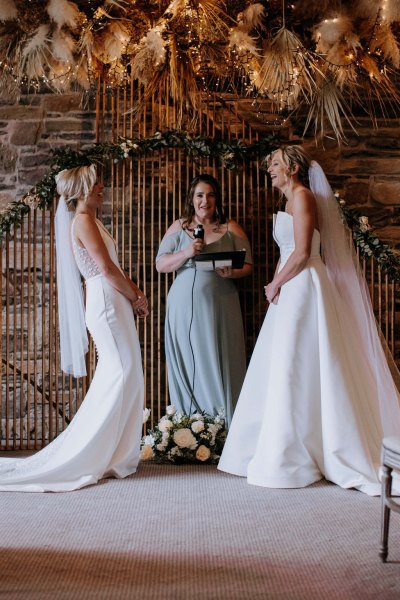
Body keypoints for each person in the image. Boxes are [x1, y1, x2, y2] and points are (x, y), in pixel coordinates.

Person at [218, 145, 400, 495]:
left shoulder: (302, 198)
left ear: (293, 169)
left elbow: (302, 253)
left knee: (293, 364)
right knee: (285, 365)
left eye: (274, 163)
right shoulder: (288, 202)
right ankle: (284, 444)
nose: (269, 168)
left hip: (303, 286)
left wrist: (276, 283)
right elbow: (291, 253)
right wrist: (277, 286)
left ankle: (296, 452)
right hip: (290, 287)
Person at [0, 164, 148, 492]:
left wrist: (132, 294)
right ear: (82, 188)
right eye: (97, 183)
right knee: (120, 373)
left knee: (127, 372)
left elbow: (112, 268)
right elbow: (107, 269)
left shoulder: (88, 220)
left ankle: (116, 454)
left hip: (111, 299)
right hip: (106, 301)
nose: (102, 187)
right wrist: (137, 296)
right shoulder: (82, 221)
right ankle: (92, 452)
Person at [156, 174, 252, 425]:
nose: (204, 200)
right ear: (191, 199)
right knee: (189, 358)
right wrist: (187, 251)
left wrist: (232, 272)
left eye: (210, 195)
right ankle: (189, 426)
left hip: (220, 304)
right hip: (183, 307)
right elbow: (160, 264)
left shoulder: (231, 228)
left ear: (217, 199)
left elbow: (249, 265)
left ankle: (223, 425)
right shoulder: (178, 227)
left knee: (219, 359)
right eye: (199, 195)